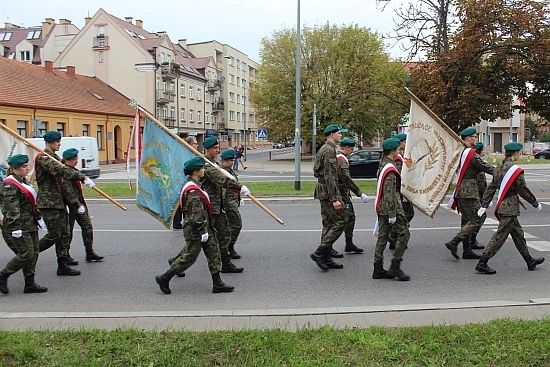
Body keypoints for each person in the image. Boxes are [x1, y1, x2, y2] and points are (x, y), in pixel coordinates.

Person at [168, 136, 248, 273]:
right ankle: (176, 262)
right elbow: (221, 180)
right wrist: (239, 187)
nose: (218, 150)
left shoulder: (214, 163)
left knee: (224, 235)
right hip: (209, 207)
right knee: (204, 240)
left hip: (217, 206)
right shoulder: (206, 165)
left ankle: (226, 264)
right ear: (207, 149)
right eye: (215, 148)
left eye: (218, 147)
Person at [155, 156, 234, 294]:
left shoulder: (196, 184)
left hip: (205, 227)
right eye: (202, 168)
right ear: (196, 172)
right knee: (189, 257)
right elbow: (197, 214)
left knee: (213, 253)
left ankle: (217, 283)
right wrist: (203, 231)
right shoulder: (193, 191)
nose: (204, 170)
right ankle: (164, 278)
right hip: (196, 230)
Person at [475, 142, 544, 274]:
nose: (520, 154)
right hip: (510, 208)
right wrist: (535, 203)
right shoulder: (514, 170)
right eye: (520, 152)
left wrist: (485, 204)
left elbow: (491, 187)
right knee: (499, 237)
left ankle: (530, 261)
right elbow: (522, 189)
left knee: (518, 235)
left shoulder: (499, 167)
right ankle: (482, 262)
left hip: (503, 205)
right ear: (516, 153)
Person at [36, 130, 94, 276]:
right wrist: (82, 177)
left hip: (58, 201)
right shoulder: (44, 158)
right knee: (54, 235)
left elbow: (63, 170)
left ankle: (62, 263)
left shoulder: (54, 157)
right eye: (57, 142)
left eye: (59, 141)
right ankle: (29, 252)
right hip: (49, 202)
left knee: (64, 233)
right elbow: (62, 171)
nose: (59, 144)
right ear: (49, 142)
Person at [0, 154, 48, 294]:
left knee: (34, 253)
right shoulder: (10, 185)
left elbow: (32, 204)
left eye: (27, 166)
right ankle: (3, 275)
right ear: (14, 168)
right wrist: (15, 227)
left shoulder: (23, 181)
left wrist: (38, 218)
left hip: (30, 224)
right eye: (23, 167)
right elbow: (11, 208)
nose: (27, 169)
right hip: (18, 226)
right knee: (26, 253)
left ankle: (30, 283)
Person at [445, 127, 494, 260]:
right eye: (474, 137)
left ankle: (467, 250)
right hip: (469, 191)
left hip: (462, 190)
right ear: (468, 139)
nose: (476, 139)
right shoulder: (470, 154)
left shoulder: (460, 152)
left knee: (466, 220)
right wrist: (504, 172)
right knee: (478, 218)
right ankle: (454, 242)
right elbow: (486, 167)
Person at [372, 138, 410, 281]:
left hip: (384, 207)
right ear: (393, 151)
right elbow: (389, 193)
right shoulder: (390, 168)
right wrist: (393, 214)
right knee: (404, 234)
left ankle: (378, 268)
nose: (399, 152)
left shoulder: (383, 163)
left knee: (382, 237)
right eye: (398, 150)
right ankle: (395, 266)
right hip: (391, 207)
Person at [310, 124, 346, 271]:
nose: (341, 135)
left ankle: (325, 257)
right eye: (339, 133)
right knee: (341, 221)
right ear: (331, 135)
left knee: (328, 223)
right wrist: (334, 199)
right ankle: (321, 252)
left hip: (323, 189)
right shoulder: (329, 151)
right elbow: (330, 176)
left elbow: (316, 171)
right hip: (328, 191)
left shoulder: (325, 149)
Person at [60, 148, 104, 262]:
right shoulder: (64, 173)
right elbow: (67, 192)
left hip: (79, 205)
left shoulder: (73, 170)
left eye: (76, 158)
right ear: (66, 160)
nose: (76, 161)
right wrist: (77, 204)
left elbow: (79, 177)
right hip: (70, 206)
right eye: (74, 159)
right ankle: (65, 255)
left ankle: (89, 252)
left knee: (87, 226)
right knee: (67, 232)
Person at [334, 138, 369, 256]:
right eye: (352, 149)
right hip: (341, 195)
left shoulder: (340, 158)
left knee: (350, 218)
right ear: (347, 148)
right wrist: (359, 193)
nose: (352, 152)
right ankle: (326, 247)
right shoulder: (341, 160)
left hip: (343, 194)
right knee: (340, 221)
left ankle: (349, 243)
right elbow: (346, 179)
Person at [388, 133, 414, 250]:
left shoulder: (402, 156)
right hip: (400, 191)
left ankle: (395, 235)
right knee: (406, 214)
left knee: (406, 214)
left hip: (403, 190)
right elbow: (400, 175)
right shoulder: (398, 159)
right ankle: (394, 235)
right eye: (404, 142)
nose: (406, 144)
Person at [220, 149, 244, 259]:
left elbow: (234, 184)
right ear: (224, 161)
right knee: (236, 224)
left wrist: (240, 197)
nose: (231, 162)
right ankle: (228, 247)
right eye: (230, 160)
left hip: (233, 200)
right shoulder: (222, 172)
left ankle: (227, 247)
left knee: (229, 226)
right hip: (228, 203)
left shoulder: (229, 170)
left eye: (232, 160)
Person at [172, 136, 200, 230]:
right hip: (184, 181)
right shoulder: (186, 154)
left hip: (189, 181)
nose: (197, 145)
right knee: (182, 202)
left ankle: (183, 222)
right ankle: (178, 222)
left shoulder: (193, 154)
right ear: (191, 144)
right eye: (196, 143)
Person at [470, 142, 487, 249]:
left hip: (473, 194)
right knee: (479, 217)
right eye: (483, 150)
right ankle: (470, 240)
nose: (484, 152)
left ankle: (469, 240)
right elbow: (482, 183)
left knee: (471, 219)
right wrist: (486, 198)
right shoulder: (478, 164)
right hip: (475, 195)